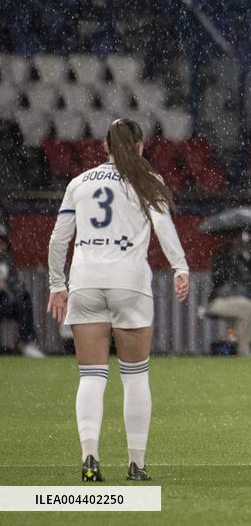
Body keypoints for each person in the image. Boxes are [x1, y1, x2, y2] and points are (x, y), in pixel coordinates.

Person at [47, 118, 189, 483]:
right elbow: (163, 227)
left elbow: (58, 240)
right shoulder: (146, 181)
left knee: (92, 377)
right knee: (135, 376)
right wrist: (180, 267)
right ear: (141, 146)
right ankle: (136, 464)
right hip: (129, 283)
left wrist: (56, 284)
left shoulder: (79, 183)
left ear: (104, 147)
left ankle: (90, 458)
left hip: (86, 282)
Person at [207, 230, 251, 356]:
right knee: (248, 307)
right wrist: (233, 259)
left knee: (248, 309)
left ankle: (241, 346)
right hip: (219, 301)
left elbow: (248, 280)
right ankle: (242, 348)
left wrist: (244, 257)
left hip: (237, 300)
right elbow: (219, 279)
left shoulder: (244, 258)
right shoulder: (222, 257)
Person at [0, 224, 46, 357]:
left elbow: (16, 284)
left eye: (2, 243)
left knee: (24, 300)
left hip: (5, 303)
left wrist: (8, 289)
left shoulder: (7, 262)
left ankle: (26, 343)